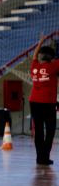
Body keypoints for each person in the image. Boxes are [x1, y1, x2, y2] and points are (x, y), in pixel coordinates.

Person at [29, 34, 59, 165]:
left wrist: (40, 42)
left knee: (39, 131)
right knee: (50, 130)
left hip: (34, 102)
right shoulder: (53, 66)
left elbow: (34, 56)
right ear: (51, 58)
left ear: (41, 57)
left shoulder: (34, 66)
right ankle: (44, 157)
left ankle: (39, 158)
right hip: (47, 103)